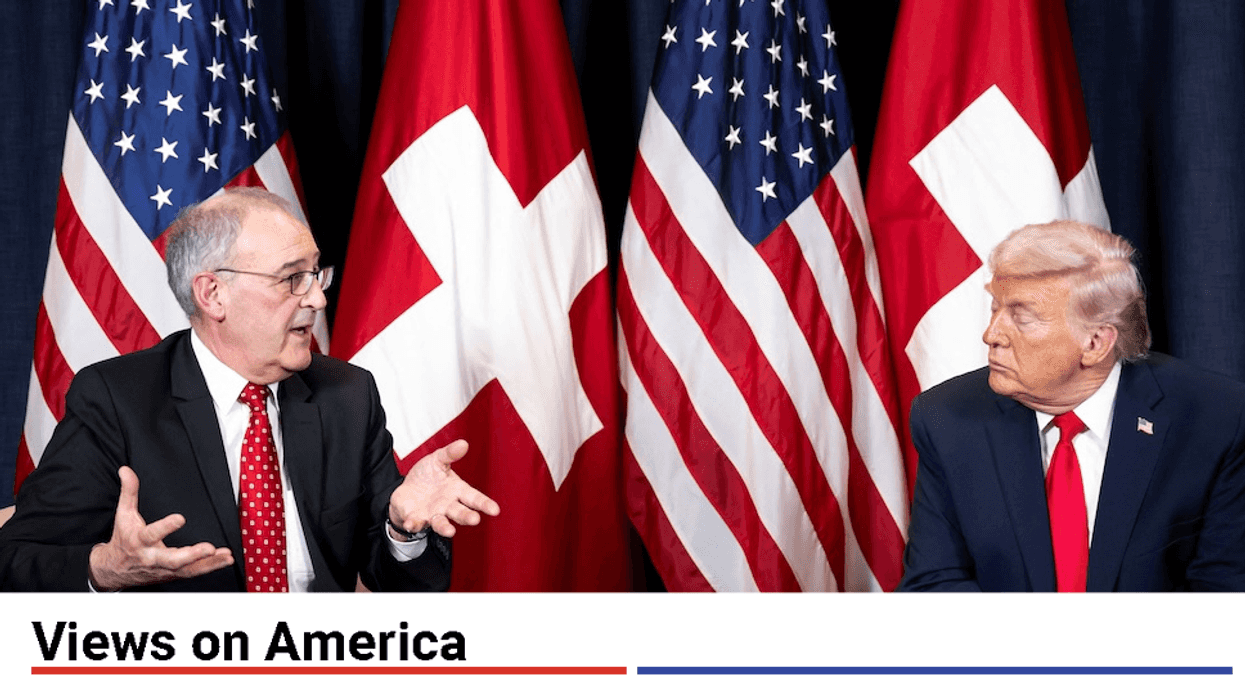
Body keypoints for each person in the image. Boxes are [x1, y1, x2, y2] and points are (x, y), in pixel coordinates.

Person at [0, 187, 499, 592]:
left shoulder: (347, 395)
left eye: (316, 273)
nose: (319, 298)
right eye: (293, 279)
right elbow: (18, 560)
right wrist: (105, 569)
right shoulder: (117, 399)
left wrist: (403, 530)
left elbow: (399, 585)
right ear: (213, 294)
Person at [900, 220, 1245, 592]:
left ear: (1096, 342)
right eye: (996, 309)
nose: (992, 334)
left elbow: (1223, 593)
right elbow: (934, 585)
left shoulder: (1218, 418)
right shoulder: (947, 418)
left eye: (1021, 317)